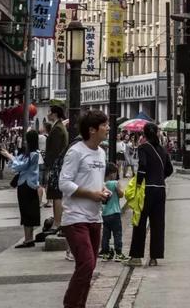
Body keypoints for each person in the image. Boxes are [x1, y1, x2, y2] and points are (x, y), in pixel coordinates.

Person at [59, 110, 110, 308]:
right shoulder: (76, 151)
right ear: (92, 130)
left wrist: (103, 190)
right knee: (86, 264)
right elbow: (64, 183)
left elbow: (97, 182)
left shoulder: (102, 152)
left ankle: (80, 304)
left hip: (95, 218)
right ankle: (71, 304)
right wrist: (90, 194)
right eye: (104, 125)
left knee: (89, 266)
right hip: (75, 218)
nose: (108, 128)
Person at [124, 122, 173, 267]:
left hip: (147, 189)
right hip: (160, 189)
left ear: (144, 134)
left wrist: (139, 183)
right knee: (158, 223)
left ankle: (136, 257)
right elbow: (169, 169)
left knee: (139, 221)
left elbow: (143, 167)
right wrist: (160, 177)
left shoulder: (143, 148)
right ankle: (154, 258)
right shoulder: (163, 150)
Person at [1, 129, 41, 248]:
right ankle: (28, 238)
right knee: (26, 211)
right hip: (27, 184)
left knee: (27, 211)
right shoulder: (29, 153)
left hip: (27, 184)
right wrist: (12, 157)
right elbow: (18, 163)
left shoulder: (34, 154)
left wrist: (9, 156)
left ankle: (29, 239)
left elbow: (20, 166)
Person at [44, 105, 69, 233]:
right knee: (55, 195)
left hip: (57, 165)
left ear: (54, 114)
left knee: (56, 194)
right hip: (57, 164)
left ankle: (57, 222)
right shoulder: (58, 126)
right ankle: (57, 221)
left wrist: (49, 165)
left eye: (49, 112)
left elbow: (55, 150)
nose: (48, 114)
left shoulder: (58, 129)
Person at [99, 162, 125, 261]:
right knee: (117, 234)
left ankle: (105, 253)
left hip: (105, 214)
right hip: (115, 213)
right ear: (111, 174)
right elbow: (121, 194)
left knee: (106, 235)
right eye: (115, 173)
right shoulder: (114, 183)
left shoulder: (101, 184)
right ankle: (118, 253)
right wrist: (118, 189)